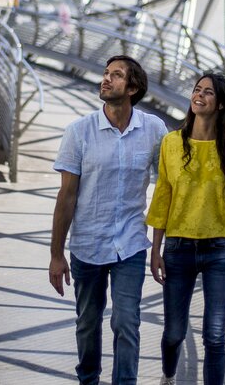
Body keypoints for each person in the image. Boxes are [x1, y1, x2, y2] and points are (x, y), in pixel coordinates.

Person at [49, 55, 167, 385]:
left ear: (132, 88)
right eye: (105, 73)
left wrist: (159, 247)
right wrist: (56, 255)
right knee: (88, 321)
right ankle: (88, 379)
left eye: (115, 75)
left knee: (127, 320)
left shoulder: (154, 130)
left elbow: (166, 189)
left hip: (130, 243)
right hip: (87, 243)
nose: (105, 79)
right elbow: (66, 198)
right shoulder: (79, 132)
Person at [146, 72, 225, 385]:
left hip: (219, 251)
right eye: (197, 90)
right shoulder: (171, 143)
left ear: (221, 104)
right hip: (178, 249)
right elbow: (162, 197)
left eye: (208, 92)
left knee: (215, 336)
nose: (199, 95)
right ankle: (168, 376)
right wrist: (155, 250)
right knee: (173, 334)